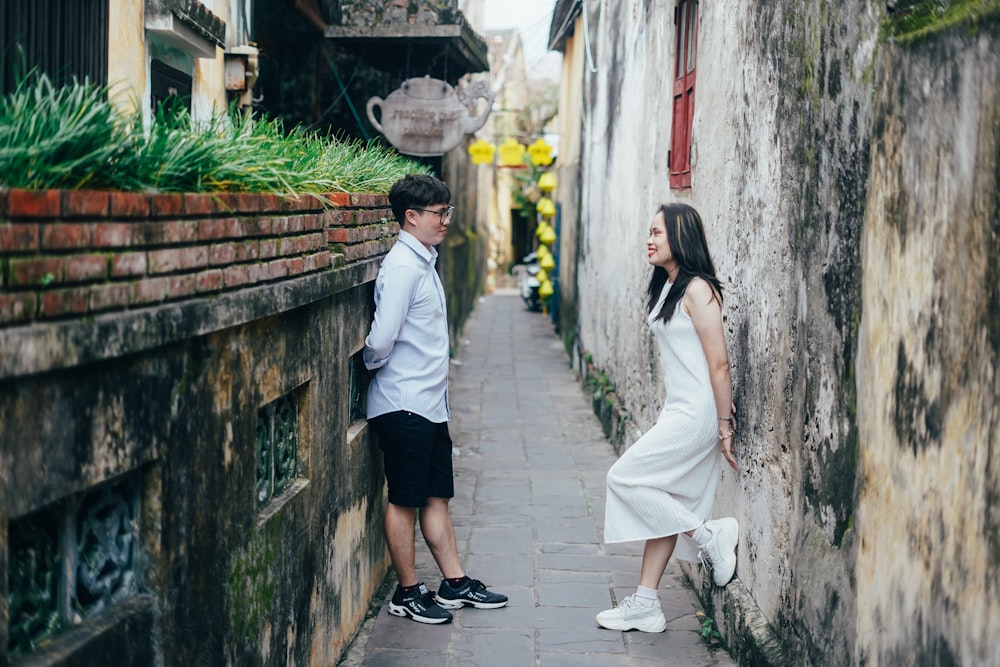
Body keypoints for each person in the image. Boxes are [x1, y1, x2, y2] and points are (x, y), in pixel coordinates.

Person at [364, 174, 508, 625]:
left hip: (428, 406)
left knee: (436, 497)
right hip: (403, 404)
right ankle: (407, 592)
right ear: (411, 216)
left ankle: (454, 583)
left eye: (447, 212)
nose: (446, 220)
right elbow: (381, 337)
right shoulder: (403, 267)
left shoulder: (423, 260)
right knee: (404, 499)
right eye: (439, 213)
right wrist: (372, 364)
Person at [596, 202, 739, 633]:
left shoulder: (699, 289)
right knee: (662, 498)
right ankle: (645, 603)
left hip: (696, 413)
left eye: (658, 232)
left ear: (681, 236)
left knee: (623, 478)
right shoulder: (669, 287)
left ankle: (707, 534)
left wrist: (724, 425)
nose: (650, 239)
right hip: (678, 408)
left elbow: (719, 364)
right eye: (649, 232)